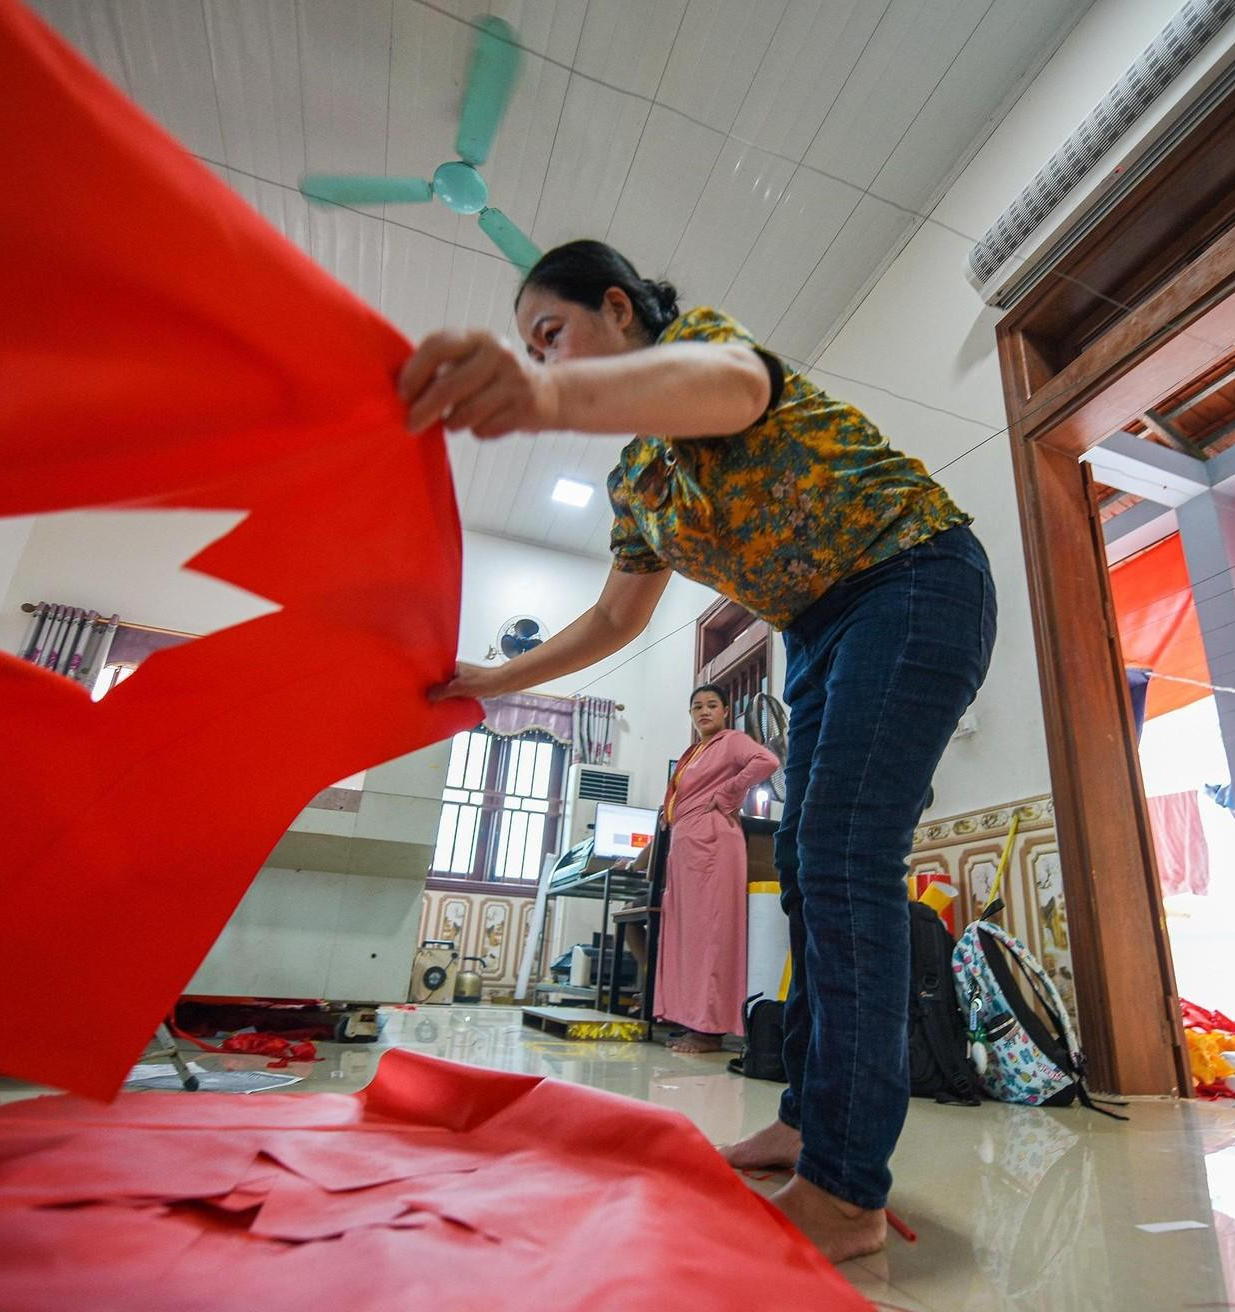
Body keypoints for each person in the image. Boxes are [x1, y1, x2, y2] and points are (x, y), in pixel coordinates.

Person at [407, 240, 995, 1262]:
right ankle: (812, 1124)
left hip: (912, 576)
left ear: (618, 309)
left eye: (550, 335)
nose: (541, 361)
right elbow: (611, 620)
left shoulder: (709, 346)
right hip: (816, 628)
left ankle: (846, 1192)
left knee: (846, 859)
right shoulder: (635, 479)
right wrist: (493, 680)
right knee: (813, 875)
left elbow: (725, 388)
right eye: (530, 351)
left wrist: (541, 398)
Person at [654, 683, 778, 1054]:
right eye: (697, 707)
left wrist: (728, 794)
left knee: (711, 933)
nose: (704, 711)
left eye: (712, 705)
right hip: (688, 846)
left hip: (712, 843)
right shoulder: (694, 752)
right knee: (688, 934)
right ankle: (692, 1018)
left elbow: (768, 762)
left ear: (726, 711)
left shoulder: (732, 741)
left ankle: (710, 1028)